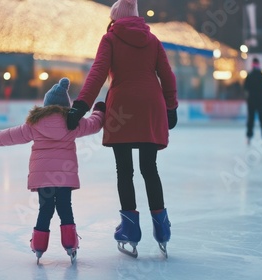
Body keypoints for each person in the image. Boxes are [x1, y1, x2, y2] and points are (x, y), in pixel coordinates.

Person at [66, 0, 178, 258]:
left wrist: (81, 106)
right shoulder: (152, 40)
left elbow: (98, 73)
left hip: (123, 108)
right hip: (152, 106)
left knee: (124, 170)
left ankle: (130, 230)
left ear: (115, 17)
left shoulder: (111, 38)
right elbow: (167, 75)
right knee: (150, 169)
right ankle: (162, 231)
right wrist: (170, 106)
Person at [0, 78, 105, 263]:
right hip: (64, 175)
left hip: (43, 177)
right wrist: (99, 111)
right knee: (65, 208)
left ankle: (38, 246)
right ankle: (71, 244)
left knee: (45, 210)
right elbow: (94, 124)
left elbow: (13, 135)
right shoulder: (73, 122)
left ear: (46, 104)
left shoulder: (34, 123)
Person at [244, 57, 262, 146]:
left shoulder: (250, 75)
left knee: (250, 120)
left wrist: (252, 91)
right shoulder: (261, 75)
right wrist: (260, 92)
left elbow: (245, 87)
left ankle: (249, 137)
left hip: (251, 99)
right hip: (260, 99)